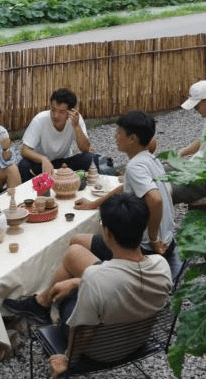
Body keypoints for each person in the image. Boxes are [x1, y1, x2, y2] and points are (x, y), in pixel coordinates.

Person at [4, 193, 172, 376]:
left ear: (107, 233)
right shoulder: (162, 266)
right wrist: (79, 281)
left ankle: (41, 304)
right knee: (75, 251)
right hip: (137, 340)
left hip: (100, 351)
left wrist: (68, 359)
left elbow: (83, 332)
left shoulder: (95, 279)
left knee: (68, 291)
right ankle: (40, 303)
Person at [74, 110, 181, 280]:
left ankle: (107, 281)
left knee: (76, 242)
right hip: (168, 242)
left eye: (119, 133)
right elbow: (135, 187)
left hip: (146, 248)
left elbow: (155, 199)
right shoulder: (151, 160)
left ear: (132, 138)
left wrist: (153, 238)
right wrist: (94, 204)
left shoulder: (135, 166)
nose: (115, 137)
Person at [17, 88, 105, 183]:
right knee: (23, 165)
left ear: (70, 112)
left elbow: (85, 149)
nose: (55, 115)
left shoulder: (76, 120)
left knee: (91, 158)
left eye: (61, 112)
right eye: (53, 110)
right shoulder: (40, 120)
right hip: (41, 164)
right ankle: (31, 193)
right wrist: (43, 159)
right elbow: (24, 150)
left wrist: (76, 126)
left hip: (63, 163)